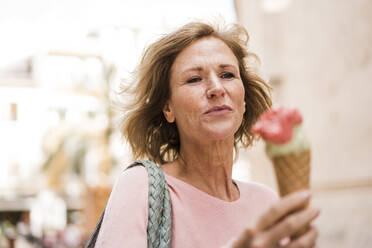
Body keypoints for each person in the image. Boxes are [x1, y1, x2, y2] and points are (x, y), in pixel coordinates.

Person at [95, 21, 320, 247]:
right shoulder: (140, 187)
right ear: (168, 108)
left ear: (243, 101)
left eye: (228, 75)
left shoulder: (267, 202)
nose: (216, 88)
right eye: (194, 79)